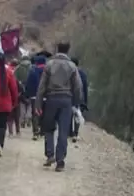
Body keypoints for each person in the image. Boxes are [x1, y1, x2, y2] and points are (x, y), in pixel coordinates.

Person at [35, 42, 82, 172]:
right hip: (66, 100)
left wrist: (38, 103)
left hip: (51, 99)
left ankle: (50, 154)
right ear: (68, 50)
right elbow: (78, 86)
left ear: (57, 49)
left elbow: (42, 86)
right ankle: (60, 161)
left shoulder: (49, 65)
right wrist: (76, 103)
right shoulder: (72, 66)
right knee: (63, 130)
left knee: (49, 128)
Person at [25, 55, 47, 140]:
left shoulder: (33, 71)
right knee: (45, 114)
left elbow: (28, 84)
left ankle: (35, 132)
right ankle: (43, 131)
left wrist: (27, 95)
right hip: (46, 96)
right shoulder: (48, 71)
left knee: (35, 114)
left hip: (35, 96)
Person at [70, 57, 89, 142]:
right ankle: (75, 133)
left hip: (69, 96)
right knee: (77, 115)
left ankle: (70, 132)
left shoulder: (68, 73)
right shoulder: (83, 74)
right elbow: (85, 88)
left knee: (69, 114)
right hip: (79, 97)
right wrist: (85, 101)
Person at [13, 56, 32, 128]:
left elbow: (14, 79)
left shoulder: (18, 68)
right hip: (30, 88)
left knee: (22, 105)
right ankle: (28, 117)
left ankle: (22, 120)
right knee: (30, 104)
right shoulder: (32, 67)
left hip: (21, 87)